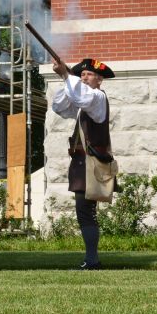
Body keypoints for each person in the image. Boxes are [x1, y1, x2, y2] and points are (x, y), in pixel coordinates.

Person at [51, 57, 115, 270]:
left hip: (90, 163)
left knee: (85, 212)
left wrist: (66, 75)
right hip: (83, 164)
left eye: (89, 75)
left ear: (99, 80)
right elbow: (60, 106)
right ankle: (91, 258)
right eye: (82, 75)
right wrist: (66, 79)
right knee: (85, 211)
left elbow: (81, 95)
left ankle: (92, 260)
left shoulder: (97, 97)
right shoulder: (85, 100)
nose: (84, 78)